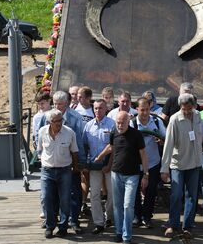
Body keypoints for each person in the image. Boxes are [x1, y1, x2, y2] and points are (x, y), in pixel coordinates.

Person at [36, 91, 86, 234]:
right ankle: (50, 223)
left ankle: (73, 221)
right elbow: (38, 140)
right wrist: (44, 158)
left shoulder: (75, 118)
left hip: (69, 163)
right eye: (55, 103)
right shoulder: (45, 117)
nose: (57, 106)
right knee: (48, 196)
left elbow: (79, 142)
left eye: (61, 104)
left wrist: (79, 164)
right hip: (50, 164)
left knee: (72, 194)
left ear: (67, 104)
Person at [95, 111, 148, 244]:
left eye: (122, 122)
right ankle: (119, 232)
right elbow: (111, 147)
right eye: (117, 122)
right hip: (116, 173)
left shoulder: (136, 134)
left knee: (128, 205)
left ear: (128, 121)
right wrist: (100, 156)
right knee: (117, 205)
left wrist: (146, 175)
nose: (119, 125)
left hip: (132, 175)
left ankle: (127, 236)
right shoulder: (114, 132)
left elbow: (143, 155)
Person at [160, 93, 203, 239]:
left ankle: (188, 227)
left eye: (189, 109)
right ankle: (173, 224)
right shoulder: (174, 119)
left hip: (195, 164)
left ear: (194, 106)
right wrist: (164, 169)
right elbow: (168, 145)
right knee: (176, 195)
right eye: (184, 109)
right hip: (178, 164)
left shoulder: (198, 116)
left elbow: (202, 134)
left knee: (192, 196)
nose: (186, 112)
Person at [130, 97, 166, 228]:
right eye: (142, 110)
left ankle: (147, 216)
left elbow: (166, 137)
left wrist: (161, 141)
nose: (145, 113)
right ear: (137, 110)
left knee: (151, 191)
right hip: (136, 163)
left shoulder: (156, 121)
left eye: (147, 110)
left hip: (153, 162)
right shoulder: (132, 124)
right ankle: (136, 216)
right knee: (135, 190)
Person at [83, 100, 114, 234]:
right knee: (94, 194)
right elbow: (84, 146)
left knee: (112, 194)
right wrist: (85, 164)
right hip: (94, 166)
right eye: (95, 108)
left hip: (110, 164)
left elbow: (115, 147)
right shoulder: (88, 126)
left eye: (100, 108)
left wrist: (109, 164)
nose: (97, 111)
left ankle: (109, 217)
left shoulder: (112, 125)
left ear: (106, 109)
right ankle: (99, 222)